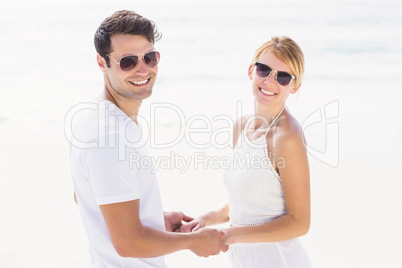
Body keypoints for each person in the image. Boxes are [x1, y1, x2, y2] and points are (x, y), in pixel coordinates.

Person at [67, 10, 228, 268]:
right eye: (128, 61)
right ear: (101, 62)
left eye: (150, 58)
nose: (143, 69)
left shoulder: (99, 116)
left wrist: (152, 218)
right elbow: (129, 243)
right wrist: (193, 242)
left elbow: (88, 194)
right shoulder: (109, 137)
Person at [181, 36, 311, 267]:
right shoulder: (241, 127)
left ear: (295, 86)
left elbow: (300, 223)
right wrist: (206, 219)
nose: (270, 81)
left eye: (283, 77)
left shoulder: (287, 136)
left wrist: (229, 235)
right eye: (264, 70)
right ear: (251, 71)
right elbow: (245, 203)